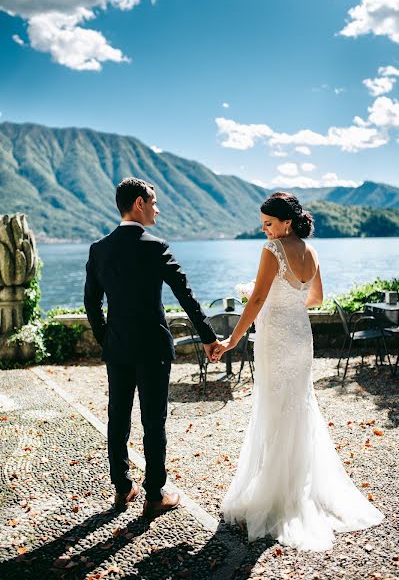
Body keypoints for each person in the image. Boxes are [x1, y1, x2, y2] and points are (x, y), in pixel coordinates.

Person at [213, 192, 384, 551]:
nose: (265, 232)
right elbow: (316, 298)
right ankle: (299, 486)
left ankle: (278, 496)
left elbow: (258, 300)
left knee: (275, 411)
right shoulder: (311, 251)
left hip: (275, 338)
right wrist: (285, 298)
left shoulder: (272, 252)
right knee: (299, 407)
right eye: (262, 225)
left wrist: (231, 339)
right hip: (300, 337)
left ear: (286, 222)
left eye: (269, 224)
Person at [84, 177, 219, 518]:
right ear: (140, 203)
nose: (157, 208)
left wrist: (106, 337)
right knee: (153, 420)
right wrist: (207, 336)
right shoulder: (155, 246)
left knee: (118, 416)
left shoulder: (99, 249)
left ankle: (122, 487)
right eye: (154, 202)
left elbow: (91, 303)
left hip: (118, 348)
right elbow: (185, 294)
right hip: (153, 348)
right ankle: (155, 494)